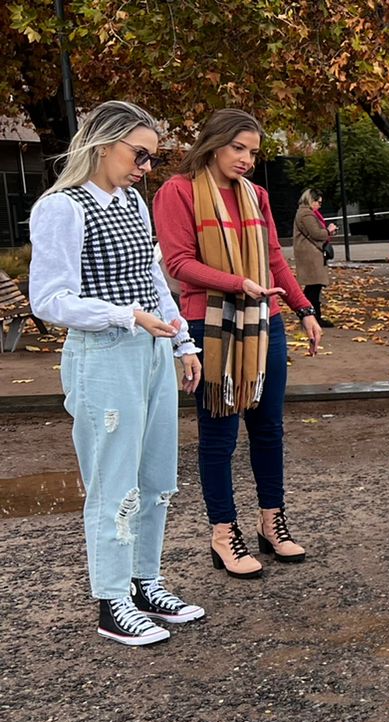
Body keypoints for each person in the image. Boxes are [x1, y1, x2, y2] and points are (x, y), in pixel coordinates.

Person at [28, 100, 206, 645]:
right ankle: (111, 598)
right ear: (103, 144)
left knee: (155, 479)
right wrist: (123, 315)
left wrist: (181, 342)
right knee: (112, 481)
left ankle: (144, 580)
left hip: (149, 350)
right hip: (103, 355)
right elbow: (48, 299)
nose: (145, 168)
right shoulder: (63, 207)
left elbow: (152, 276)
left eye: (152, 158)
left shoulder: (131, 200)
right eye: (140, 154)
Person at [153, 108, 324, 578]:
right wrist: (236, 282)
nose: (247, 159)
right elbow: (179, 264)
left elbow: (274, 259)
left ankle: (272, 522)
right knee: (220, 435)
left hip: (263, 322)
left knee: (268, 428)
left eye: (252, 151)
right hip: (208, 324)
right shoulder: (177, 191)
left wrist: (304, 309)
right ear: (213, 142)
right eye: (238, 148)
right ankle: (223, 533)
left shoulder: (257, 195)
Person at [292, 188, 337, 325]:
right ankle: (313, 316)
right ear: (311, 200)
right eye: (318, 202)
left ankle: (310, 315)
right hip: (311, 254)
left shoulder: (305, 213)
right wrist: (328, 230)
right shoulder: (306, 214)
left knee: (313, 287)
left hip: (310, 253)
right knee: (314, 287)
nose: (319, 205)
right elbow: (316, 233)